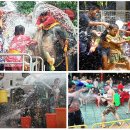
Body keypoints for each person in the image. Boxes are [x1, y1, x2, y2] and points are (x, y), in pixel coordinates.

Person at [79, 5, 109, 70]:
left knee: (97, 51)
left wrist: (96, 33)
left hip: (89, 40)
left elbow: (93, 30)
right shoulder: (83, 16)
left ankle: (98, 68)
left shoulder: (95, 19)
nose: (96, 13)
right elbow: (89, 23)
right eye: (96, 11)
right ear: (91, 10)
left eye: (98, 12)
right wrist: (103, 23)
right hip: (81, 39)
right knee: (83, 53)